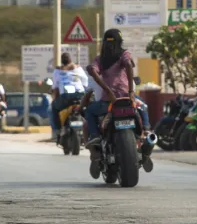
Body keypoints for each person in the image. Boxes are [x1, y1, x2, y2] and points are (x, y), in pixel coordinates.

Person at [86, 29, 136, 173]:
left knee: (90, 111)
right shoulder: (124, 54)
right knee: (141, 109)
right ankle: (145, 133)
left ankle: (95, 136)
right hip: (127, 100)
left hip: (108, 102)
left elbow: (92, 70)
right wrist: (131, 91)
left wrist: (107, 90)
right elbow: (128, 64)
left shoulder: (100, 59)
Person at [51, 52, 89, 140]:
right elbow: (86, 81)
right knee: (87, 111)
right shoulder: (78, 68)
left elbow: (55, 88)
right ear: (70, 59)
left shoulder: (58, 70)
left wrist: (55, 97)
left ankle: (57, 130)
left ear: (62, 61)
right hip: (80, 96)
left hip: (65, 98)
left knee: (54, 107)